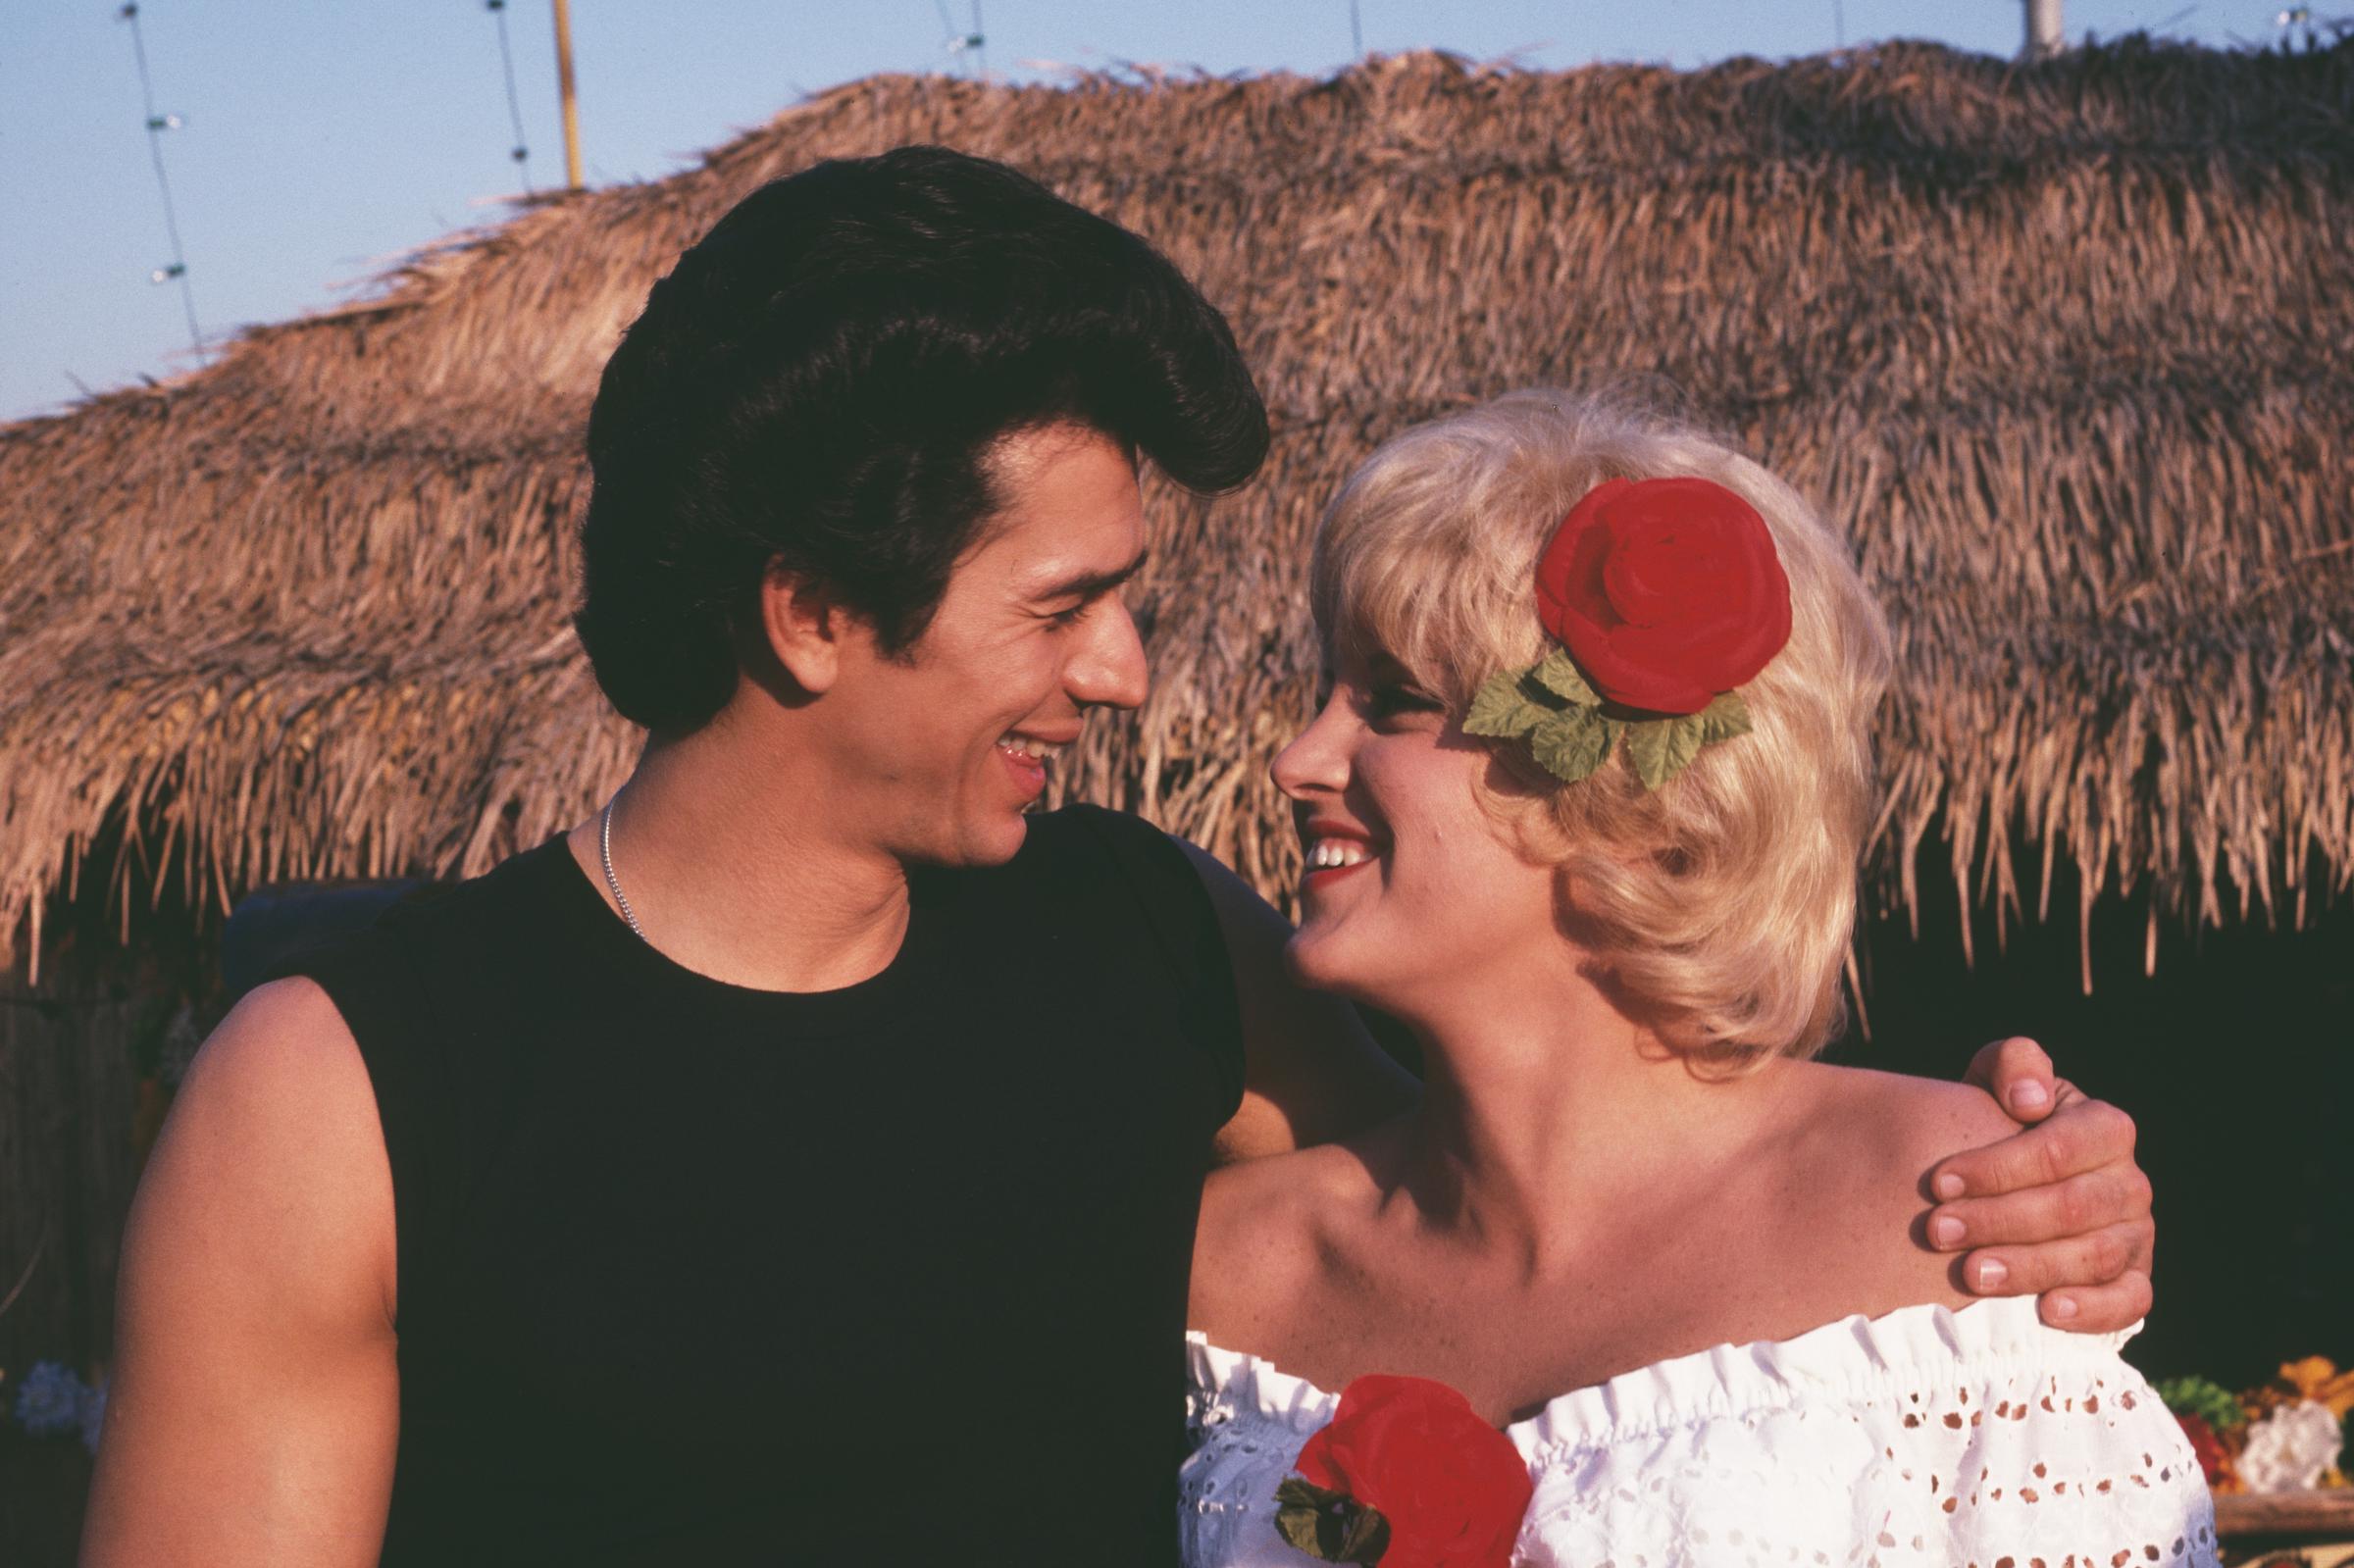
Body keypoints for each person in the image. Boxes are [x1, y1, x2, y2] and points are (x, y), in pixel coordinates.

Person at [85, 151, 2155, 1566]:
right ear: (813, 611)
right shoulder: (344, 1086)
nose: (1141, 675)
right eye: (1069, 602)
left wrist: (2032, 1186)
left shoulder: (1154, 952)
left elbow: (1555, 1173)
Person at [1180, 391, 2211, 1566]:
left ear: (1628, 785)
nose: (1297, 757)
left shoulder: (1947, 1212)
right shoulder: (1226, 1279)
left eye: (1398, 700)